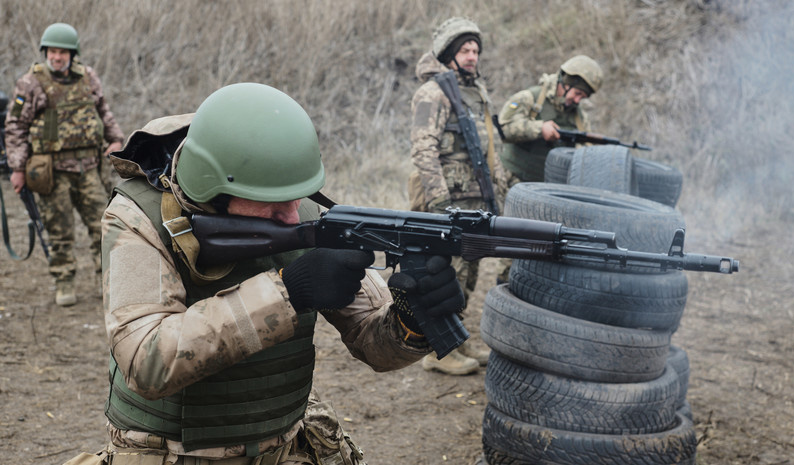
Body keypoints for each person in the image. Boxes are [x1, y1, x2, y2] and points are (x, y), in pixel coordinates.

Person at [62, 82, 465, 465]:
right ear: (213, 188)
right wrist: (289, 292)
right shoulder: (138, 218)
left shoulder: (295, 207)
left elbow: (373, 341)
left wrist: (411, 321)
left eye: (296, 198)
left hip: (283, 447)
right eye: (272, 204)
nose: (292, 216)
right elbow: (146, 361)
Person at [408, 17, 507, 375]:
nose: (472, 56)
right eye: (464, 50)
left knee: (469, 274)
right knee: (446, 275)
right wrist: (438, 202)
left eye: (476, 50)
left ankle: (459, 338)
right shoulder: (433, 93)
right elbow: (423, 150)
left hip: (476, 199)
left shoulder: (474, 90)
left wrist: (499, 189)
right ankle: (441, 350)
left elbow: (488, 147)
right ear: (449, 53)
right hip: (449, 202)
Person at [4, 22, 124, 306]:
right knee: (59, 232)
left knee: (104, 227)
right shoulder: (29, 84)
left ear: (73, 54)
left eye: (63, 52)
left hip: (88, 168)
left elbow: (103, 111)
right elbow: (14, 127)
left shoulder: (88, 77)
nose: (57, 57)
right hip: (51, 172)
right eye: (52, 52)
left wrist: (115, 139)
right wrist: (18, 168)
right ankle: (64, 281)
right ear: (46, 52)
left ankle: (108, 283)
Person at [497, 54, 603, 184]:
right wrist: (539, 129)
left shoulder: (580, 118)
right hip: (512, 181)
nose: (577, 100)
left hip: (547, 189)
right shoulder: (530, 98)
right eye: (577, 93)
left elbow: (586, 153)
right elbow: (503, 129)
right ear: (566, 83)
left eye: (583, 97)